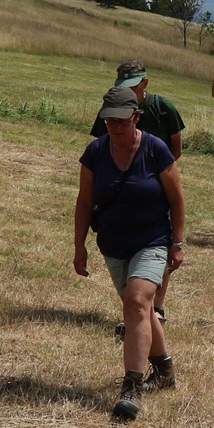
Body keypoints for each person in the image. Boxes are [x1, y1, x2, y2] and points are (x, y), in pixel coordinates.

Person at [75, 87, 185, 421]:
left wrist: (177, 243)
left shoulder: (155, 149)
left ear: (136, 118)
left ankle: (132, 388)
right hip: (114, 243)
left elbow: (177, 199)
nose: (114, 126)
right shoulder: (95, 152)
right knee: (142, 309)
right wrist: (78, 246)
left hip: (153, 239)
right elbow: (84, 201)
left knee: (137, 302)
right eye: (109, 120)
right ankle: (164, 370)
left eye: (121, 120)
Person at [89, 61, 186, 324]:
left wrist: (158, 170)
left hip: (156, 183)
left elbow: (176, 148)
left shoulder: (163, 107)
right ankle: (143, 311)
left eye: (132, 86)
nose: (128, 91)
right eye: (123, 86)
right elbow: (100, 145)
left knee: (158, 242)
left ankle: (157, 307)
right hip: (122, 186)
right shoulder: (113, 109)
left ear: (145, 83)